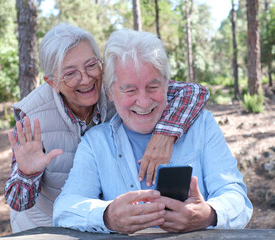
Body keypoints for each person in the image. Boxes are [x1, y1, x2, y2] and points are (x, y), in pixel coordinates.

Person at [4, 23, 209, 233]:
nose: (85, 79)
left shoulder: (117, 88)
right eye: (70, 73)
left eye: (91, 65)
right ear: (52, 82)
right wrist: (27, 174)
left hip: (100, 224)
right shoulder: (32, 116)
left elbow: (194, 92)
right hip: (47, 228)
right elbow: (18, 203)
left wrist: (166, 133)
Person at [53, 29, 253, 234]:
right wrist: (107, 216)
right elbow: (64, 209)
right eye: (130, 90)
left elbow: (237, 198)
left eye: (153, 87)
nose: (143, 101)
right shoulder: (96, 143)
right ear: (111, 92)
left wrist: (209, 214)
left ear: (167, 84)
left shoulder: (202, 126)